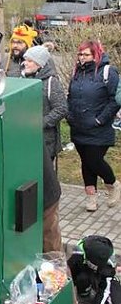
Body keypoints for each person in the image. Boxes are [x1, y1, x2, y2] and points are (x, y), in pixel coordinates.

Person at [67, 39, 120, 212]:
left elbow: (115, 100)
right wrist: (69, 116)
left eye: (86, 54)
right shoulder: (77, 72)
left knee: (94, 160)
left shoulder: (108, 72)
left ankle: (113, 184)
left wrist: (100, 120)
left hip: (98, 129)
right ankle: (91, 197)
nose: (82, 57)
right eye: (80, 54)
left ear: (96, 55)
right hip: (78, 127)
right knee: (86, 162)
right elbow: (70, 97)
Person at [22, 45, 67, 161]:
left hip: (45, 140)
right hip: (26, 136)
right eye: (25, 60)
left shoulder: (52, 82)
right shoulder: (23, 80)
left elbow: (61, 108)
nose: (25, 63)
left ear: (39, 64)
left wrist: (41, 122)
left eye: (30, 61)